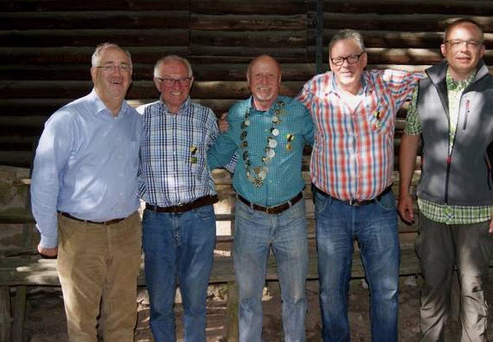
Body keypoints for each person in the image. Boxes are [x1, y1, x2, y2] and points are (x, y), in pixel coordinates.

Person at [397, 19, 493, 342]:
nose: (464, 48)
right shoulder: (425, 85)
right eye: (457, 42)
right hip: (431, 209)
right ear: (444, 48)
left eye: (472, 43)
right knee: (433, 285)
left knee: (473, 290)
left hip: (478, 212)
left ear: (482, 50)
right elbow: (411, 137)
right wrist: (404, 191)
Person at [296, 29, 423, 341]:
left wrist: (475, 72)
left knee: (386, 289)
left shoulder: (387, 85)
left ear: (364, 59)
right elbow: (283, 116)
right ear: (329, 62)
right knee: (330, 290)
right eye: (338, 59)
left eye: (353, 57)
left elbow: (430, 75)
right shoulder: (316, 89)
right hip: (331, 208)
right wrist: (236, 121)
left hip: (378, 208)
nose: (346, 64)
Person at [30, 43, 142, 341]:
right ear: (94, 73)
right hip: (80, 235)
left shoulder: (135, 121)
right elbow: (44, 181)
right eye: (109, 66)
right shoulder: (68, 119)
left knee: (122, 319)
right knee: (81, 324)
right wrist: (49, 236)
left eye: (124, 67)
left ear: (131, 76)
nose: (117, 73)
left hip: (127, 232)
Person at [208, 55, 314, 342]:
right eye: (258, 76)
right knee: (248, 297)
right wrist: (213, 133)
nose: (264, 82)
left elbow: (325, 142)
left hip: (291, 217)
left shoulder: (297, 113)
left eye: (271, 76)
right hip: (249, 218)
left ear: (280, 81)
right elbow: (215, 157)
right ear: (248, 80)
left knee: (294, 296)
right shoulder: (236, 114)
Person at [138, 55, 227, 341]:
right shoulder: (140, 119)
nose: (176, 85)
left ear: (190, 82)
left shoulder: (205, 117)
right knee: (160, 301)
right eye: (168, 79)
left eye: (182, 79)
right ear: (157, 83)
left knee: (196, 301)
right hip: (156, 221)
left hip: (198, 219)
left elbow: (226, 155)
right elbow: (122, 161)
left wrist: (260, 174)